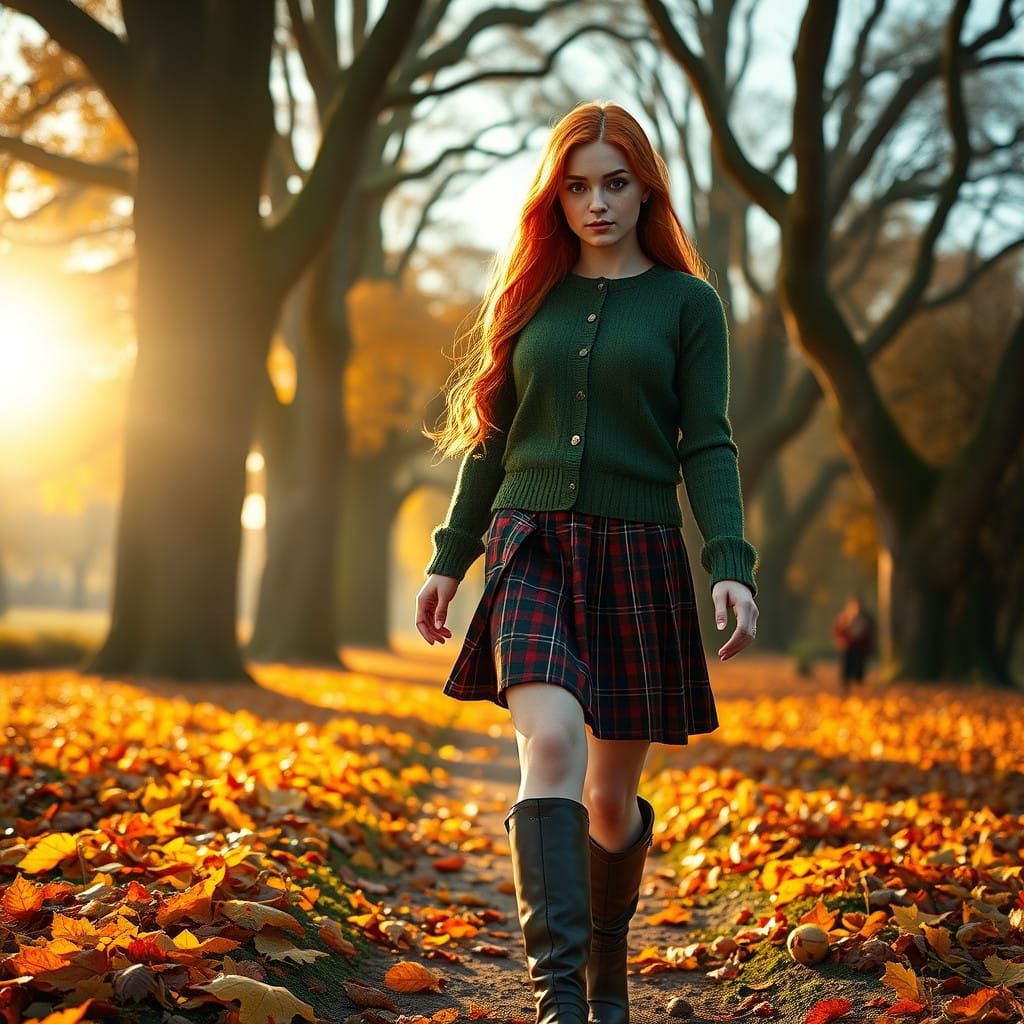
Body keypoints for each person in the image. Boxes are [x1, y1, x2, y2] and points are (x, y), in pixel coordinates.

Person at [414, 101, 759, 1024]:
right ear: (553, 195)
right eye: (575, 186)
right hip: (529, 547)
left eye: (613, 183)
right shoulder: (527, 296)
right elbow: (489, 441)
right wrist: (451, 558)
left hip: (638, 558)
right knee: (553, 744)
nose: (595, 203)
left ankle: (608, 962)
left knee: (610, 801)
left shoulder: (689, 306)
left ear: (644, 185)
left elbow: (709, 444)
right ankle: (559, 1002)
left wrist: (728, 558)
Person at [833, 593, 874, 695]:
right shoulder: (845, 617)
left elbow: (870, 633)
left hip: (860, 649)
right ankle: (845, 691)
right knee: (846, 670)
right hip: (848, 648)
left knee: (859, 671)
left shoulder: (866, 618)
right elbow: (838, 631)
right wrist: (842, 641)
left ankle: (858, 691)